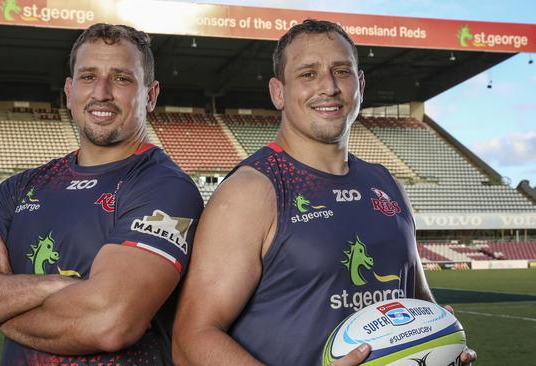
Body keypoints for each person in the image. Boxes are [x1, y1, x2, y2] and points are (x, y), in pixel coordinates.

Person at [172, 19, 476, 366]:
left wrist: (440, 342)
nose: (329, 87)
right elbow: (191, 338)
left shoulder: (387, 184)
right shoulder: (252, 191)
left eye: (341, 71)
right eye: (308, 74)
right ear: (278, 92)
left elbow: (418, 299)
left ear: (359, 84)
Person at [0, 23, 203, 365]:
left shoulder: (165, 187)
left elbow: (108, 322)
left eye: (121, 78)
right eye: (88, 76)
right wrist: (46, 286)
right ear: (69, 91)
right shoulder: (20, 188)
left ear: (150, 95)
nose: (101, 92)